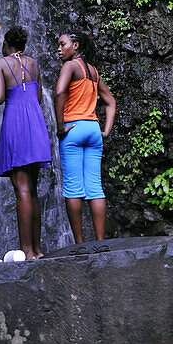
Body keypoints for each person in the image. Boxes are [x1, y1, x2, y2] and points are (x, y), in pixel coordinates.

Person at [0, 26, 51, 260]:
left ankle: (26, 252)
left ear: (6, 43)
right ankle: (37, 250)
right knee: (32, 190)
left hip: (15, 122)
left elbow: (0, 97)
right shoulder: (33, 63)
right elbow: (37, 97)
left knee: (21, 189)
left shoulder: (1, 63)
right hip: (35, 122)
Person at [54, 31, 116, 244]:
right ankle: (100, 242)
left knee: (73, 188)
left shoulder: (70, 66)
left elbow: (59, 92)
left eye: (63, 45)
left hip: (73, 128)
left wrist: (60, 126)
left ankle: (80, 245)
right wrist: (106, 130)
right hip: (93, 129)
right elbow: (111, 102)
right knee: (95, 187)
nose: (59, 49)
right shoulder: (94, 72)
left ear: (76, 46)